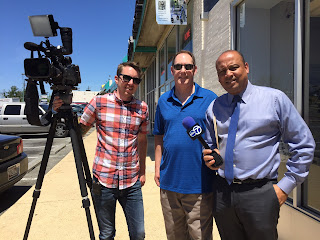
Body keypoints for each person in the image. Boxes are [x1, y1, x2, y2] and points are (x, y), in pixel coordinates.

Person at [203, 50, 315, 240]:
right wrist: (208, 157)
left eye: (234, 67)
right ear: (219, 78)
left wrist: (284, 187)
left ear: (246, 68)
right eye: (222, 71)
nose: (228, 74)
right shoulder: (214, 107)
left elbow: (303, 145)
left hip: (260, 194)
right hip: (223, 194)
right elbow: (209, 145)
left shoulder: (274, 100)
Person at [53, 62, 149, 240]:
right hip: (103, 180)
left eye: (136, 80)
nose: (130, 83)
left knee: (139, 233)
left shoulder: (142, 108)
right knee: (106, 234)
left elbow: (142, 141)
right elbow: (80, 130)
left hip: (131, 180)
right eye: (126, 78)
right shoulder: (99, 102)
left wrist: (142, 171)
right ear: (117, 79)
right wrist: (61, 113)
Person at [153, 50, 218, 240]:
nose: (183, 70)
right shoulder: (164, 101)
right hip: (169, 184)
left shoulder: (209, 98)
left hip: (199, 184)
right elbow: (159, 135)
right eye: (179, 67)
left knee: (200, 237)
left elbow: (220, 134)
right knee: (175, 236)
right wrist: (158, 166)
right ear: (172, 71)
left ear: (194, 70)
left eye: (188, 66)